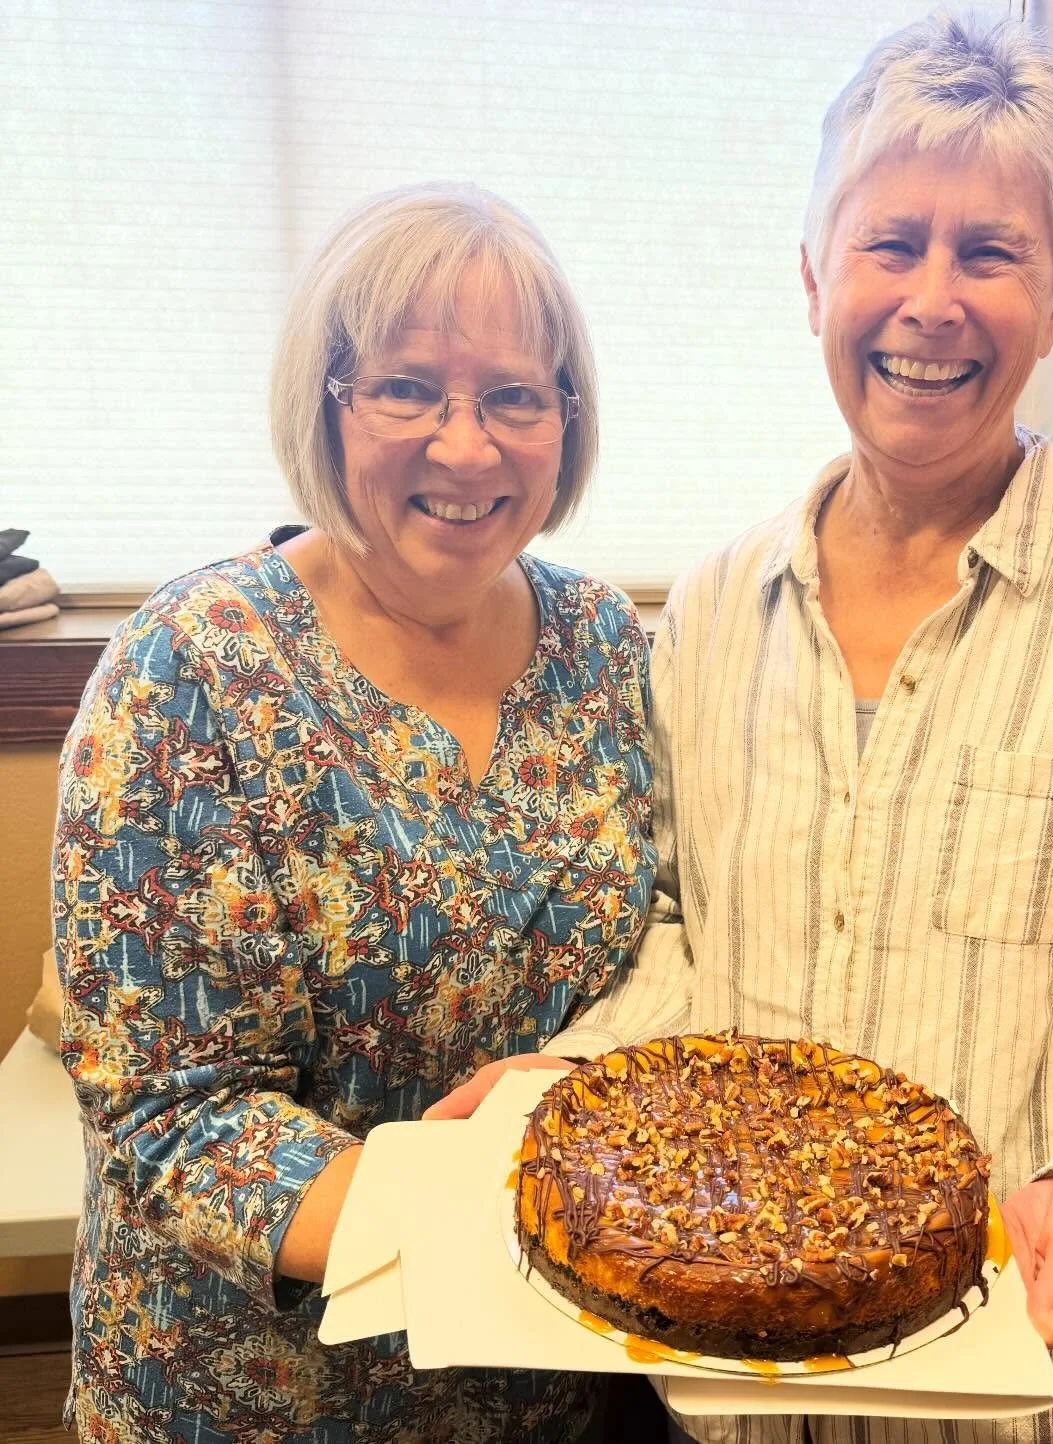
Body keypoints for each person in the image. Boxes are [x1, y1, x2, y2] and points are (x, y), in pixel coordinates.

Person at [439, 14, 1053, 1443]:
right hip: (741, 1387)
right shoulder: (712, 611)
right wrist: (578, 1077)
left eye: (991, 252)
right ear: (813, 276)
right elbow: (681, 930)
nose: (933, 301)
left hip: (1047, 1391)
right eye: (890, 244)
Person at [52, 182, 656, 1443]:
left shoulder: (606, 645)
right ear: (325, 406)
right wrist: (473, 1213)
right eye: (406, 389)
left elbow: (667, 932)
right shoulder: (192, 669)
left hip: (548, 1376)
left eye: (514, 396)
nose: (466, 448)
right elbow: (173, 1116)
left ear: (567, 418)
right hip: (260, 1393)